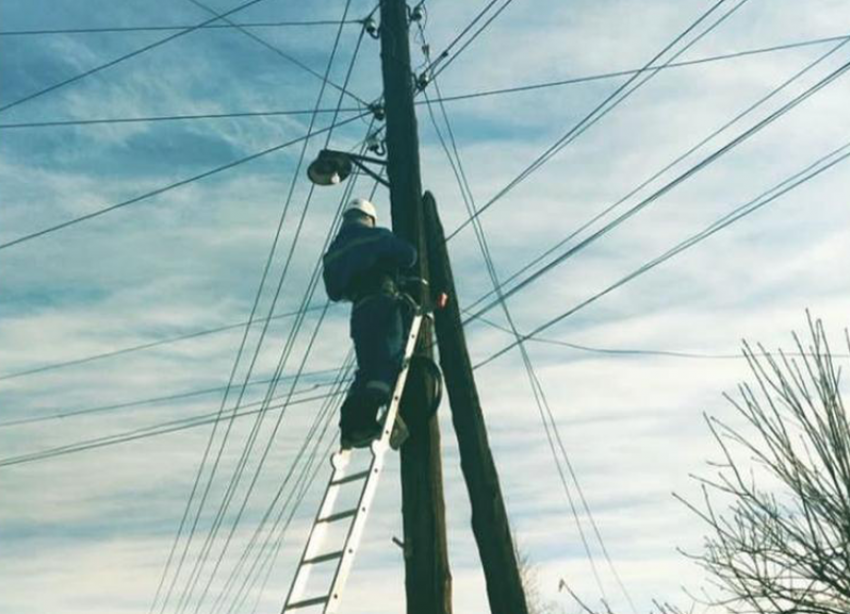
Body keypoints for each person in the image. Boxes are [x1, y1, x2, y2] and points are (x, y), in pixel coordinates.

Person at [322, 197, 417, 448]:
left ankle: (351, 427)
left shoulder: (333, 253)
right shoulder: (376, 237)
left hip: (359, 313)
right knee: (388, 361)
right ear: (369, 218)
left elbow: (334, 291)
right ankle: (370, 419)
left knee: (366, 370)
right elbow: (409, 256)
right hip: (383, 305)